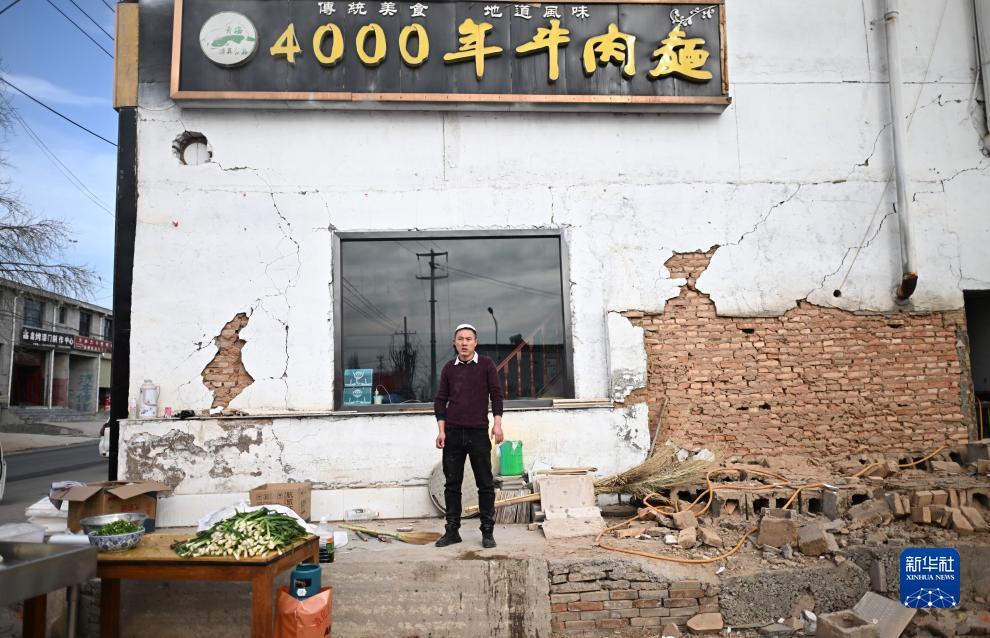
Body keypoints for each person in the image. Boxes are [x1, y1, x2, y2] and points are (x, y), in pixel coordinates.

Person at [433, 323, 504, 548]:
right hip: (453, 433)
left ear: (475, 342)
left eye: (468, 339)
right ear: (454, 343)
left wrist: (497, 425)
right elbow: (440, 400)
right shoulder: (449, 368)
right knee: (452, 485)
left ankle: (487, 531)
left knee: (485, 483)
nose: (464, 343)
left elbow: (496, 395)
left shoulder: (486, 365)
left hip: (478, 432)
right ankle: (452, 531)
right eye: (460, 339)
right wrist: (441, 430)